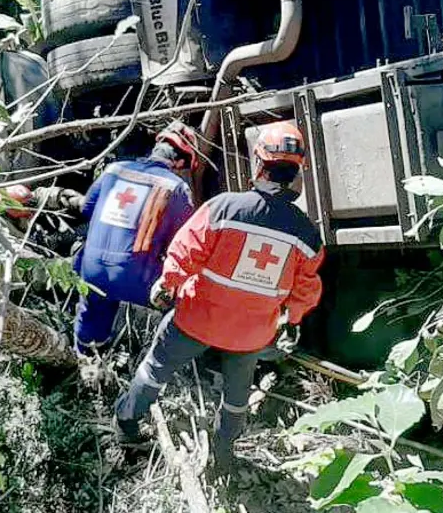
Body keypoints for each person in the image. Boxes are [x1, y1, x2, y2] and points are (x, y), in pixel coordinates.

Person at [113, 122, 325, 472]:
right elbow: (305, 292)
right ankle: (224, 455)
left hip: (196, 320)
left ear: (259, 164)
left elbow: (184, 251)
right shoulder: (307, 234)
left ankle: (126, 424)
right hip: (251, 335)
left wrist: (168, 285)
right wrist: (294, 319)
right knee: (236, 398)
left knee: (155, 369)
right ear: (297, 172)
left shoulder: (224, 207)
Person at [72, 121, 200, 354]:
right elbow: (181, 244)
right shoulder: (177, 187)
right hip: (135, 280)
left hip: (89, 270)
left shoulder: (114, 170)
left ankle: (87, 361)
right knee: (184, 298)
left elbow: (87, 209)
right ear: (180, 162)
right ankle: (166, 360)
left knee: (93, 315)